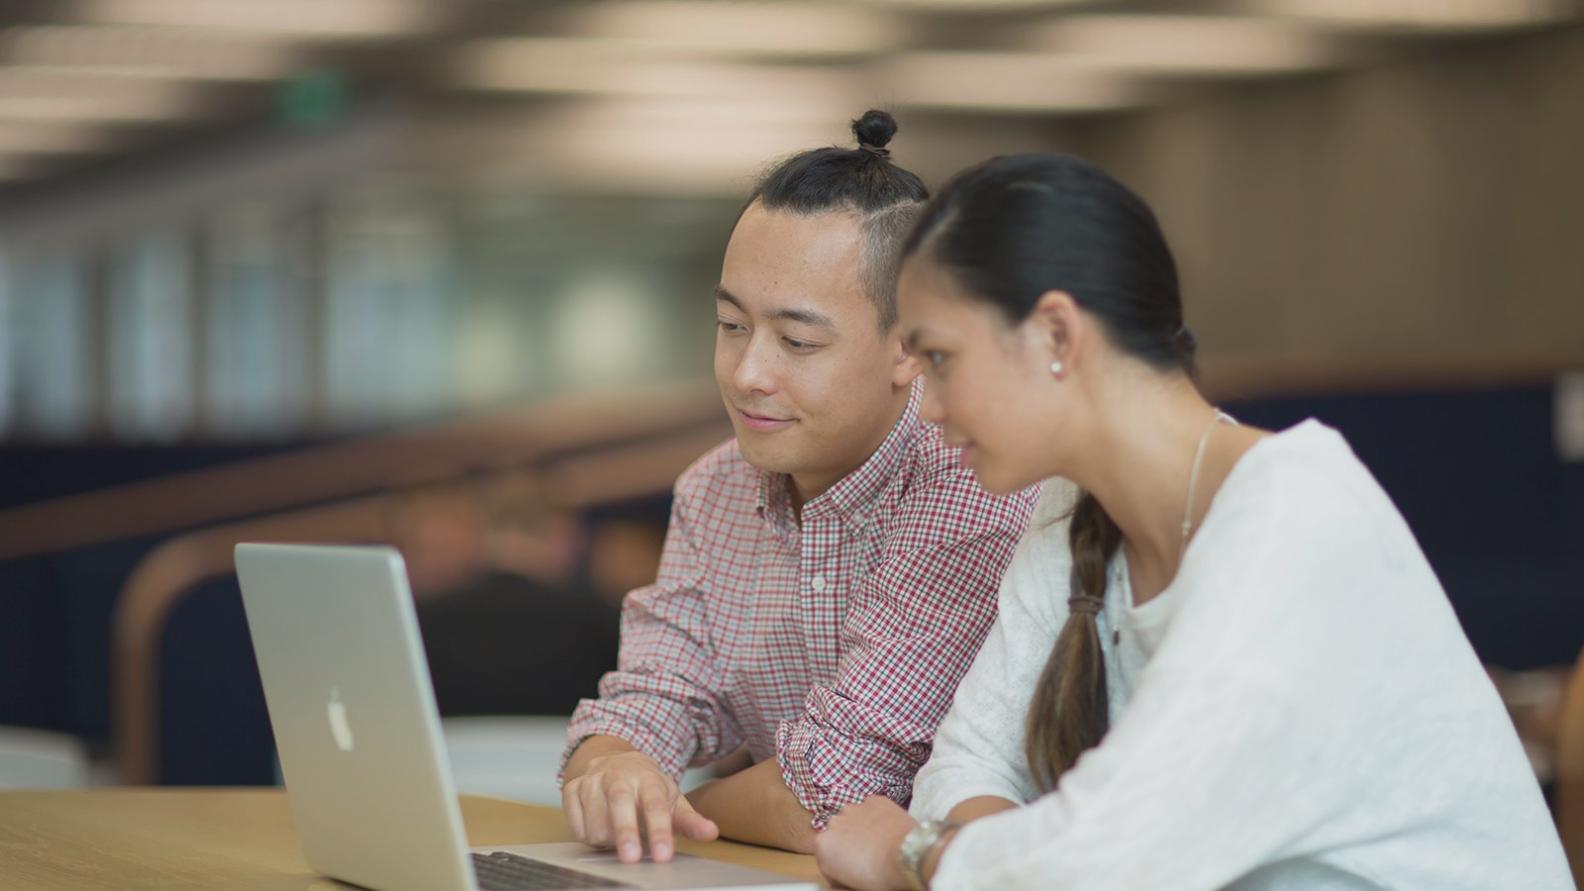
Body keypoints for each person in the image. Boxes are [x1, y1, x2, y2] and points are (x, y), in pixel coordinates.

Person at [813, 153, 1574, 890]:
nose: (932, 408)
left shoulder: (1297, 515)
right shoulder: (1072, 507)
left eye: (940, 359)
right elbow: (970, 762)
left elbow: (1121, 853)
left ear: (1055, 334)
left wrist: (916, 856)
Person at [558, 112, 1040, 863]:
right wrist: (614, 766)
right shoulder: (715, 488)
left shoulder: (974, 484)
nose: (749, 373)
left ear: (911, 345)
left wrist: (674, 805)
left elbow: (835, 793)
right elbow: (654, 692)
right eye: (730, 325)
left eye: (797, 340)